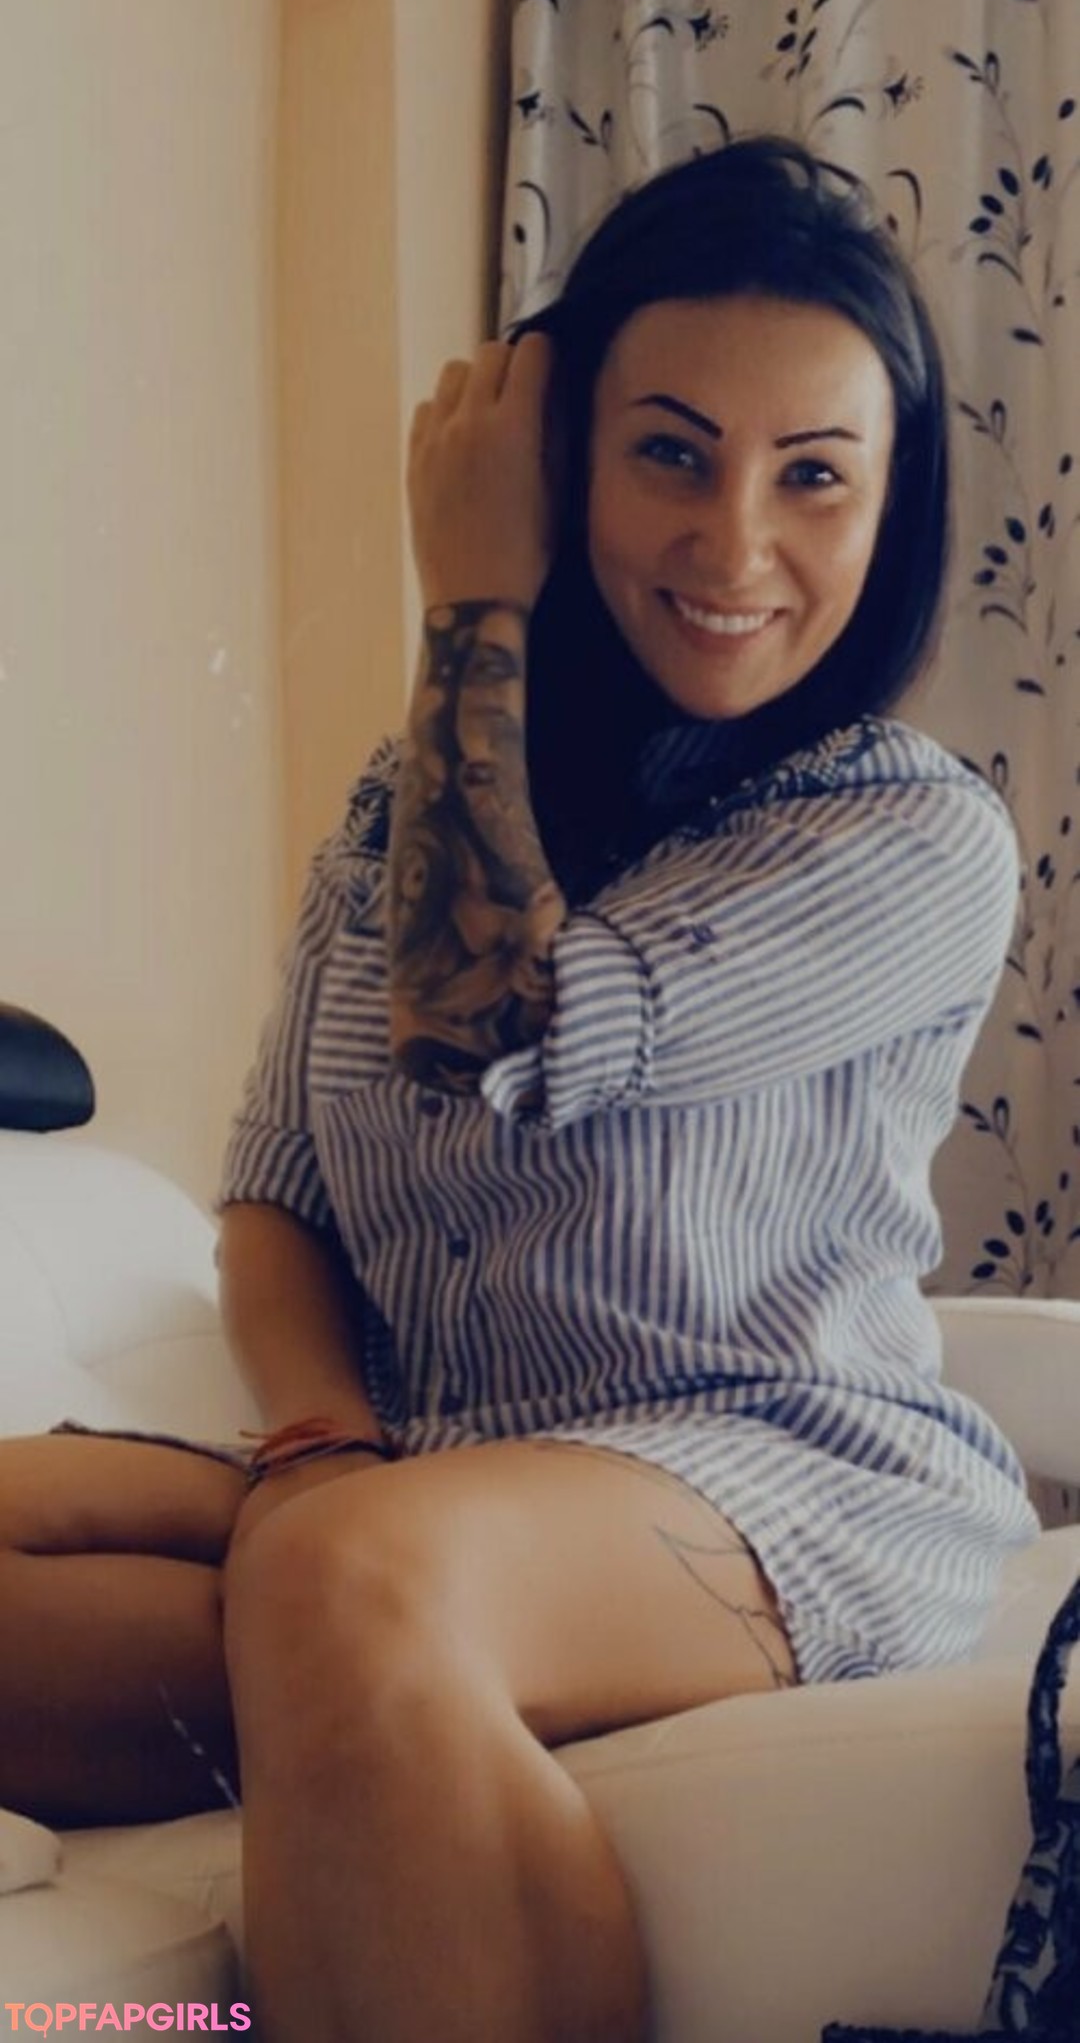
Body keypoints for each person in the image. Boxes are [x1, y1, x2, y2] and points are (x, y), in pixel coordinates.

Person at [0, 134, 1040, 2043]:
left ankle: (368, 1651)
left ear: (890, 510)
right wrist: (320, 1443)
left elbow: (508, 1028)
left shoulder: (910, 838)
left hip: (770, 1473)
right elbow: (274, 1197)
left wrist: (469, 595)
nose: (737, 545)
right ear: (564, 451)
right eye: (671, 453)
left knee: (351, 1576)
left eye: (815, 475)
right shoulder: (406, 809)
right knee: (293, 1562)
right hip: (425, 1474)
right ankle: (358, 1741)